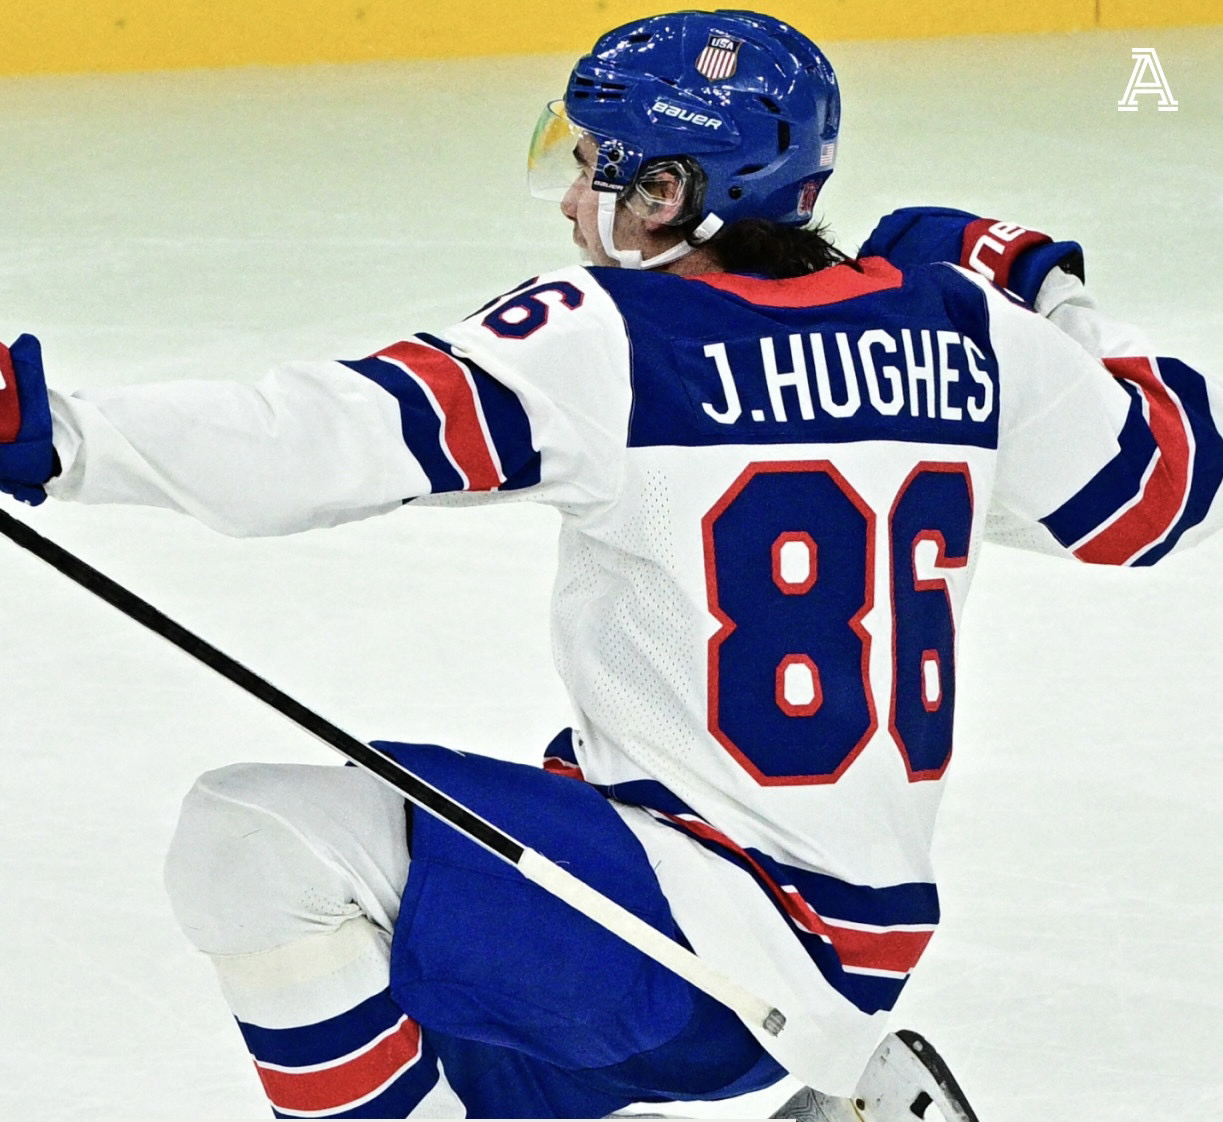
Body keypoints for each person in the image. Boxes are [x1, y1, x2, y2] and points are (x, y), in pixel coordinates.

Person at [1, 9, 1219, 1120]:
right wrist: (1045, 290)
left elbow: (322, 438)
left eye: (595, 164)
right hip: (826, 950)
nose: (572, 198)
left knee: (258, 839)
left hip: (687, 957)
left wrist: (61, 433)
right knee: (423, 985)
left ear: (667, 193)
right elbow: (1170, 496)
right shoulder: (962, 331)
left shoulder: (615, 338)